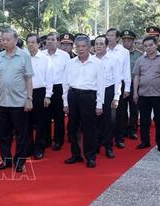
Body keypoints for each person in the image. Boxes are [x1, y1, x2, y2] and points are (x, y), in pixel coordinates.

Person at [0, 28, 34, 173]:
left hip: (19, 102)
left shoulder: (24, 56)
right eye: (3, 39)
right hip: (2, 102)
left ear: (15, 40)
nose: (5, 42)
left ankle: (20, 161)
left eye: (8, 39)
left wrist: (29, 99)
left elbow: (28, 78)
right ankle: (6, 160)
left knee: (21, 134)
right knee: (4, 134)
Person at [63, 35, 105, 168]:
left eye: (84, 46)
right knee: (73, 128)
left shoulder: (97, 63)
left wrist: (99, 104)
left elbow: (101, 85)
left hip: (89, 97)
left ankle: (90, 156)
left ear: (89, 47)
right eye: (78, 46)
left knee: (89, 128)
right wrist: (65, 102)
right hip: (73, 95)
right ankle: (75, 155)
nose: (81, 49)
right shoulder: (70, 63)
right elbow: (65, 83)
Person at [133, 36, 160, 152]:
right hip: (143, 95)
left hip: (159, 95)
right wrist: (135, 93)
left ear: (156, 45)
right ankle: (145, 141)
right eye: (145, 46)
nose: (148, 48)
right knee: (144, 120)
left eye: (150, 45)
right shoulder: (140, 60)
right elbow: (136, 76)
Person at [26, 33, 53, 160]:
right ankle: (28, 147)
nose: (30, 44)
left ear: (38, 44)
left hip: (40, 93)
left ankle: (39, 148)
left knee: (40, 122)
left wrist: (48, 96)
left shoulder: (45, 59)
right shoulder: (23, 58)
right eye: (28, 42)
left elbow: (49, 79)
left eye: (33, 42)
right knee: (26, 122)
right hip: (25, 93)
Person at [94, 35, 122, 159]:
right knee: (95, 120)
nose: (98, 46)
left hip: (109, 91)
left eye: (101, 44)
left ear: (106, 46)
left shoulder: (113, 59)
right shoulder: (91, 60)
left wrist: (116, 97)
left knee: (109, 120)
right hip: (94, 92)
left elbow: (117, 80)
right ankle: (96, 144)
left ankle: (108, 146)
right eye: (96, 44)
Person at [43, 32, 71, 151]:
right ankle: (47, 139)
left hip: (59, 88)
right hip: (44, 88)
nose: (50, 41)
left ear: (58, 42)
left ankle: (58, 140)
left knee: (59, 116)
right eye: (48, 39)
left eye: (53, 39)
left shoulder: (64, 56)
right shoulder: (41, 55)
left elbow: (67, 75)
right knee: (45, 116)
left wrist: (66, 93)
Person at [106, 28, 131, 149]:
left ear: (117, 38)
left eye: (112, 35)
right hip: (105, 85)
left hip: (119, 84)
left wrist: (127, 88)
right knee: (107, 114)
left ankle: (119, 138)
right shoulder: (102, 49)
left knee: (119, 113)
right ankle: (106, 137)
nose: (109, 37)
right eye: (108, 35)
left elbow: (126, 70)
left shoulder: (123, 51)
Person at [121, 30, 143, 139]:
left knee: (134, 108)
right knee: (122, 108)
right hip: (122, 84)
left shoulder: (139, 55)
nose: (126, 43)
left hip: (135, 84)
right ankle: (123, 129)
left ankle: (133, 129)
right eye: (124, 40)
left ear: (133, 42)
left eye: (128, 41)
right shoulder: (118, 54)